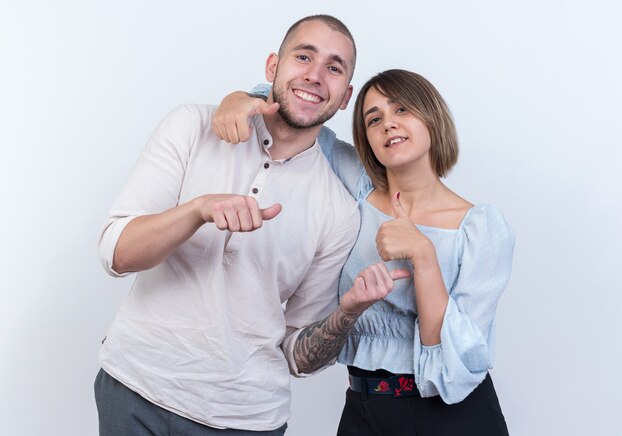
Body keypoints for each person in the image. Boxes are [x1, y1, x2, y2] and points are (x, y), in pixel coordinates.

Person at [95, 15, 408, 436]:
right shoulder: (192, 126)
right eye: (303, 56)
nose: (315, 76)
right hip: (134, 387)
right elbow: (116, 254)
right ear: (271, 67)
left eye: (334, 68)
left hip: (245, 419)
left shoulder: (339, 208)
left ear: (346, 95)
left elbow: (299, 356)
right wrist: (196, 211)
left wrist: (347, 313)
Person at [213, 69, 515, 435]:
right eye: (374, 119)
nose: (388, 124)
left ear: (431, 117)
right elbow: (300, 120)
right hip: (363, 408)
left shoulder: (481, 229)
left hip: (450, 415)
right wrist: (245, 97)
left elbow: (453, 366)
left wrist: (423, 255)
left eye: (402, 110)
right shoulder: (357, 184)